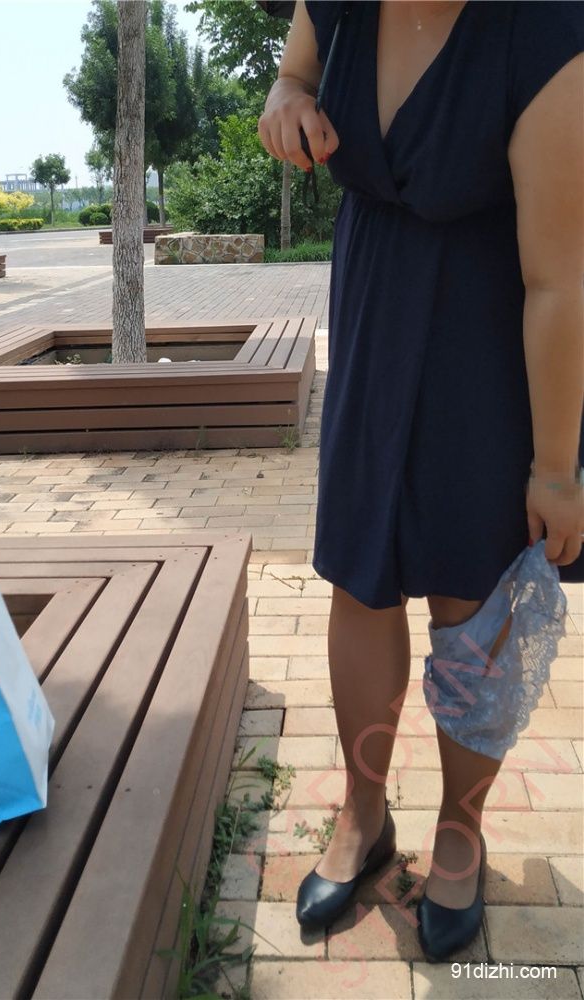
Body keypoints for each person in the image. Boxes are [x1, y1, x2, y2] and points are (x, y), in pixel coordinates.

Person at [258, 0, 584, 962]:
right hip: (372, 312)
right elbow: (295, 74)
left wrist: (556, 469)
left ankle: (458, 831)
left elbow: (561, 280)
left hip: (490, 338)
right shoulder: (335, 4)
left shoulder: (546, 31)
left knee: (467, 602)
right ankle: (364, 817)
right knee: (358, 580)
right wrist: (285, 99)